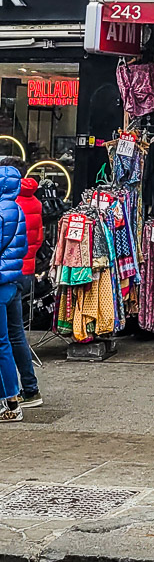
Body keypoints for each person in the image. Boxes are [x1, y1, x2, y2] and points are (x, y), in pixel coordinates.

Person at [7, 176, 44, 407]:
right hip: (26, 270)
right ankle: (30, 388)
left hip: (8, 275)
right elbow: (38, 238)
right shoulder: (34, 203)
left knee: (7, 337)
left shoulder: (9, 206)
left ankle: (13, 393)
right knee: (16, 334)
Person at [0, 166, 28, 422]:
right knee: (8, 339)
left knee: (1, 343)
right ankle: (12, 398)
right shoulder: (16, 209)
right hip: (10, 282)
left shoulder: (1, 211)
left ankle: (10, 402)